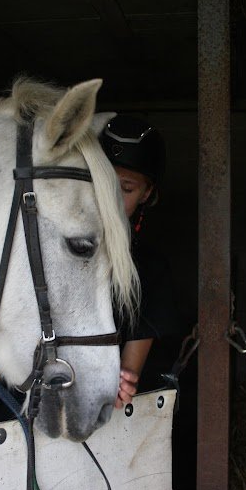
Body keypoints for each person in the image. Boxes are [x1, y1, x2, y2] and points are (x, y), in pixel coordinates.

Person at [99, 114, 184, 409]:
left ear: (146, 193)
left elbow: (128, 372)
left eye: (125, 188)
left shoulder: (150, 268)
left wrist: (122, 381)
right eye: (101, 180)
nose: (109, 197)